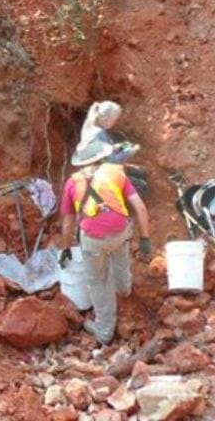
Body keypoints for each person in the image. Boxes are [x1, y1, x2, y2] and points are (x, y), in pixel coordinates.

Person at [58, 139, 151, 344]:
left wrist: (66, 249)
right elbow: (140, 207)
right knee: (120, 257)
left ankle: (104, 331)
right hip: (120, 233)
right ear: (102, 157)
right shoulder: (116, 173)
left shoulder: (73, 182)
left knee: (98, 282)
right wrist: (145, 239)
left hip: (93, 241)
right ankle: (123, 288)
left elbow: (68, 222)